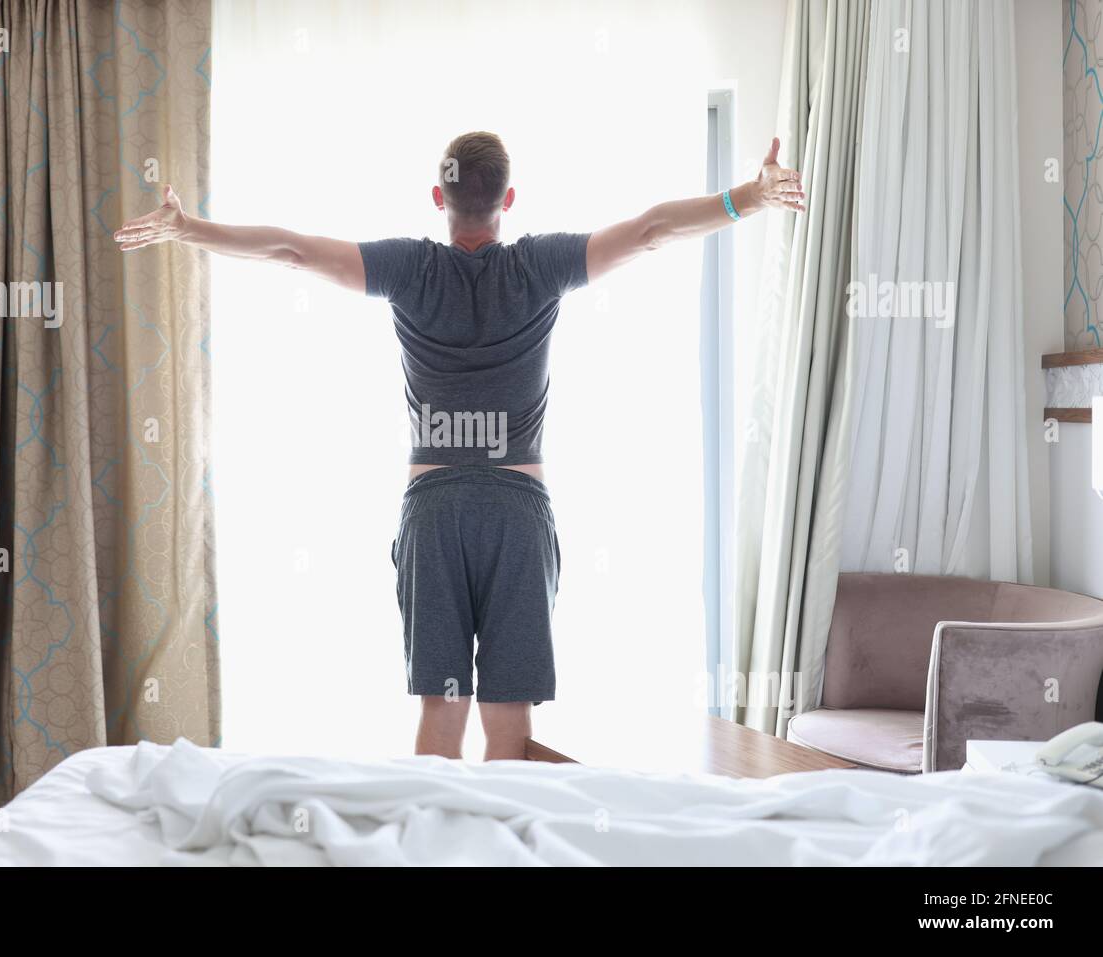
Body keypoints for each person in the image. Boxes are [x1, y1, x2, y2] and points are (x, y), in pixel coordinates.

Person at [114, 131, 804, 761]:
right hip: (516, 513)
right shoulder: (539, 265)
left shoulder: (411, 270)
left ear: (439, 197)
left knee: (441, 711)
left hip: (435, 510)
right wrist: (748, 197)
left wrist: (187, 228)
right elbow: (653, 230)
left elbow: (290, 249)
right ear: (508, 198)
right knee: (512, 723)